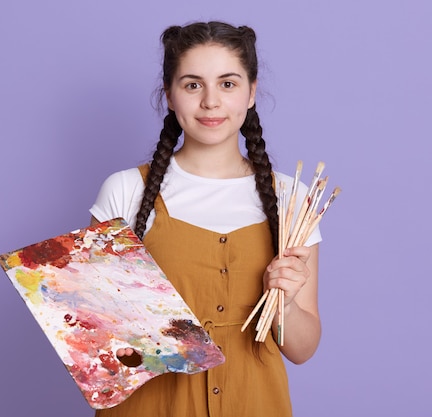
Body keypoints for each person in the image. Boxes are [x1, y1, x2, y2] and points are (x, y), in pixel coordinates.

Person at [89, 21, 322, 417]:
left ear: (251, 92)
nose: (211, 101)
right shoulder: (124, 190)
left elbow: (302, 350)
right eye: (193, 84)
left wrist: (283, 302)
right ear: (170, 96)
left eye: (228, 84)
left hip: (254, 404)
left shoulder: (291, 198)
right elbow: (101, 345)